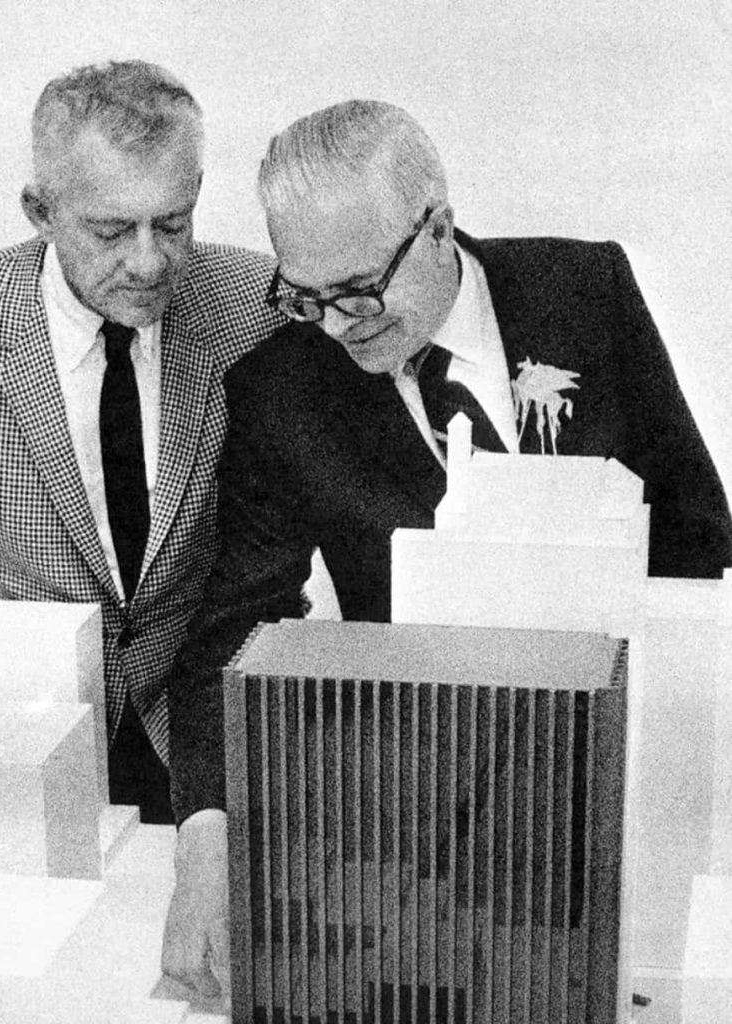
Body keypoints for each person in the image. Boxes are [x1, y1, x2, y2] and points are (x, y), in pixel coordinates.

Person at [160, 99, 732, 995]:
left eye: (358, 288)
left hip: (631, 773)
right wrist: (204, 833)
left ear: (436, 225)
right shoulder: (280, 391)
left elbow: (695, 532)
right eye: (305, 297)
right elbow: (228, 632)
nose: (339, 323)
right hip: (432, 815)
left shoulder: (585, 290)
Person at [0, 60, 282, 836]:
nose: (148, 262)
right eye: (110, 231)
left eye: (172, 224)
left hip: (198, 743)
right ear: (40, 210)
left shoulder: (258, 307)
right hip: (1, 742)